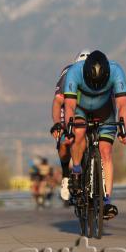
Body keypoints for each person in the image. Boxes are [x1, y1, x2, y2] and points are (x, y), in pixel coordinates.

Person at [63, 50, 126, 219]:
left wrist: (123, 129)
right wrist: (69, 128)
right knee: (78, 132)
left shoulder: (116, 71)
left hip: (105, 111)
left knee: (106, 151)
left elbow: (122, 104)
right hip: (81, 109)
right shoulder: (74, 72)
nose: (95, 86)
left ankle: (107, 201)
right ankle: (77, 170)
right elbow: (69, 106)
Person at [50, 49, 91, 201]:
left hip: (87, 108)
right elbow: (58, 101)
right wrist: (57, 124)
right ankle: (66, 176)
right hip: (67, 108)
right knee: (65, 142)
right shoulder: (68, 73)